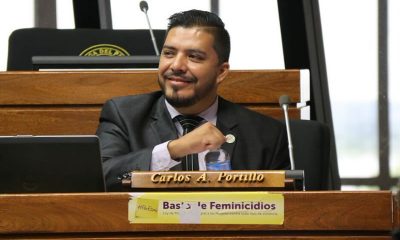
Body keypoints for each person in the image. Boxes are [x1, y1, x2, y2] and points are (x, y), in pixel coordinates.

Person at [96, 9, 290, 191]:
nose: (177, 65)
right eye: (169, 53)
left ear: (221, 72)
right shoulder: (124, 115)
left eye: (194, 57)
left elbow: (287, 208)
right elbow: (100, 178)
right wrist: (175, 149)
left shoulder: (267, 134)